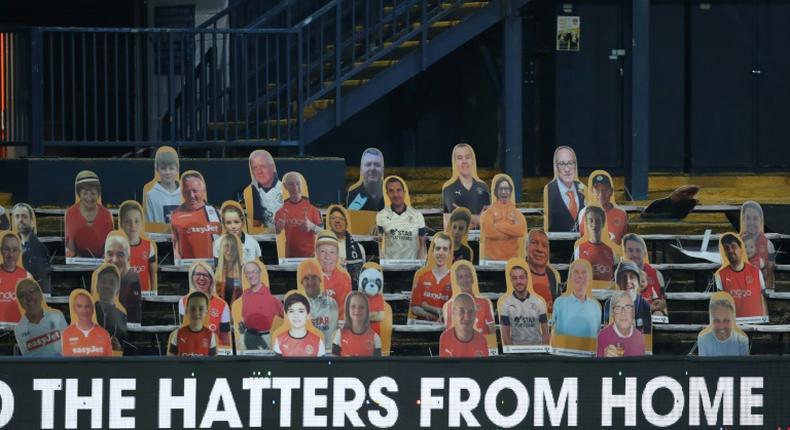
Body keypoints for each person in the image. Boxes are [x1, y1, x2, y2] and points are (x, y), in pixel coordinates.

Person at [170, 171, 221, 261]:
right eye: (186, 192)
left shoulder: (216, 213)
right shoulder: (175, 215)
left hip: (213, 269)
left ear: (203, 191)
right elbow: (171, 246)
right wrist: (177, 258)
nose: (191, 196)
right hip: (188, 270)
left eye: (195, 191)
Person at [714, 233, 766, 320]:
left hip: (756, 323)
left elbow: (763, 298)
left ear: (741, 249)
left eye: (734, 247)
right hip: (733, 324)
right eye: (727, 248)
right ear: (725, 253)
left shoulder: (756, 272)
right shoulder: (720, 275)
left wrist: (764, 319)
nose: (730, 250)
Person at [179, 261, 231, 346]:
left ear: (211, 279)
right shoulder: (183, 301)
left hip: (215, 354)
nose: (202, 278)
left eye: (206, 275)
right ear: (192, 277)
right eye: (198, 274)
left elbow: (225, 337)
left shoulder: (222, 305)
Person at [64, 170, 114, 259]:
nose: (89, 198)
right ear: (79, 193)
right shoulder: (70, 213)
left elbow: (109, 247)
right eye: (85, 193)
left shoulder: (106, 215)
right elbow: (70, 248)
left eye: (93, 193)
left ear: (98, 194)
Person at [376, 176, 427, 260]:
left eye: (398, 190)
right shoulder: (381, 215)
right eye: (391, 191)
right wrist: (383, 266)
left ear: (404, 192)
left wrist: (419, 266)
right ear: (387, 194)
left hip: (412, 267)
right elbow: (378, 244)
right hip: (390, 268)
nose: (395, 195)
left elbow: (422, 245)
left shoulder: (417, 215)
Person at [274, 172, 323, 258]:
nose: (295, 187)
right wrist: (277, 229)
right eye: (291, 184)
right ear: (285, 186)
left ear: (302, 185)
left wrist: (311, 226)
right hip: (289, 257)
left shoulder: (312, 207)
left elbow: (322, 232)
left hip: (309, 257)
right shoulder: (280, 209)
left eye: (298, 183)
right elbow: (276, 232)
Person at [500, 262, 550, 346]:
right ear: (511, 281)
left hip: (537, 349)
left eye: (521, 277)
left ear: (527, 279)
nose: (518, 281)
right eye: (514, 278)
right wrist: (513, 353)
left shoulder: (539, 302)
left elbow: (546, 332)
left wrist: (543, 352)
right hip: (516, 351)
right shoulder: (505, 303)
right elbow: (505, 336)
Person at [441, 143, 490, 229]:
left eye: (467, 157)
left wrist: (464, 216)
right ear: (455, 162)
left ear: (473, 160)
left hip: (481, 240)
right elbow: (449, 224)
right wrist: (477, 220)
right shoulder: (448, 189)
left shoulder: (483, 187)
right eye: (460, 158)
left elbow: (488, 221)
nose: (464, 161)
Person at [14, 279, 67, 357]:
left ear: (40, 294)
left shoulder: (57, 317)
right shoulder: (19, 329)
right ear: (20, 302)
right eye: (22, 295)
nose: (29, 298)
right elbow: (28, 359)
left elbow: (67, 348)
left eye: (32, 291)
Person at [237, 261, 283, 350]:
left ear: (259, 273)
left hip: (264, 339)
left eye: (254, 272)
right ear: (245, 276)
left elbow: (287, 318)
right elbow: (244, 316)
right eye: (248, 273)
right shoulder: (245, 294)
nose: (251, 275)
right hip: (247, 337)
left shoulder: (271, 296)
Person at [551, 260, 602, 340]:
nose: (580, 276)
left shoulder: (596, 306)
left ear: (589, 279)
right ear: (570, 278)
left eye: (584, 272)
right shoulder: (559, 302)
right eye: (576, 272)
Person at [480, 174, 526, 261]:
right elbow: (489, 232)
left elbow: (521, 231)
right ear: (496, 191)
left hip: (512, 260)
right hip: (492, 260)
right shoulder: (488, 213)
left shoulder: (517, 213)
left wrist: (498, 226)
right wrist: (511, 231)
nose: (504, 192)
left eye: (506, 189)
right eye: (501, 189)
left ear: (510, 192)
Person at [409, 233, 453, 323]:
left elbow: (452, 312)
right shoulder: (422, 277)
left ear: (449, 253)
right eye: (438, 248)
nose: (440, 253)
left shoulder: (454, 279)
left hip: (444, 329)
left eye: (445, 249)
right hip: (423, 329)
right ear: (433, 251)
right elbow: (414, 308)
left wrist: (426, 306)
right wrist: (434, 316)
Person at [602, 261, 652, 336]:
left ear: (638, 282)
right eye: (623, 277)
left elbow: (647, 336)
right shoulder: (610, 303)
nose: (628, 281)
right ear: (618, 282)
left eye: (632, 277)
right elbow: (607, 334)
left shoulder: (644, 305)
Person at [299, 259, 338, 352]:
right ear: (301, 282)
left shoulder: (332, 303)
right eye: (306, 278)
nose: (310, 282)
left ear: (320, 279)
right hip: (305, 354)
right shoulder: (297, 305)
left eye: (313, 277)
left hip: (328, 354)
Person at [11, 203, 51, 294]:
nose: (20, 220)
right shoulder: (10, 247)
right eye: (17, 217)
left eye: (24, 216)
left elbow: (44, 279)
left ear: (32, 221)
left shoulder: (41, 248)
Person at [622, 233, 667, 316]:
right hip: (627, 315)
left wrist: (662, 304)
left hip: (651, 315)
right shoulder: (619, 274)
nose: (634, 254)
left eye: (638, 250)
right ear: (625, 252)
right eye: (630, 250)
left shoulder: (656, 274)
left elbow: (663, 302)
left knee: (659, 314)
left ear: (645, 253)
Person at [119, 201, 157, 296]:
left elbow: (153, 272)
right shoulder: (117, 247)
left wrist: (153, 292)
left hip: (144, 295)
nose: (133, 225)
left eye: (136, 221)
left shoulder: (148, 246)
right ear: (121, 224)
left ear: (142, 223)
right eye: (128, 221)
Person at [445, 262, 495, 334]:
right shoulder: (451, 305)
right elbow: (450, 333)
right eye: (460, 277)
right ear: (457, 281)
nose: (465, 280)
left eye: (467, 276)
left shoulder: (484, 302)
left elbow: (492, 330)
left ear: (472, 279)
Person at [543, 146, 585, 232]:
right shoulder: (549, 189)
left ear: (575, 165)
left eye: (570, 163)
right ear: (556, 166)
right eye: (562, 164)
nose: (567, 169)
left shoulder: (584, 189)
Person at [579, 172, 628, 244]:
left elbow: (625, 241)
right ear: (592, 191)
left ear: (611, 191)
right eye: (597, 190)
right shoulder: (583, 213)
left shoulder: (622, 213)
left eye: (605, 189)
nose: (601, 194)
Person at [103, 232, 142, 324]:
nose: (115, 260)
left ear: (128, 258)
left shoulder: (133, 279)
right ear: (104, 256)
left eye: (120, 255)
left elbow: (134, 317)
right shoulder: (98, 277)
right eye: (110, 254)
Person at [61, 289, 113, 357]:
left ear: (92, 308)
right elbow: (67, 364)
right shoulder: (66, 334)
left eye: (87, 306)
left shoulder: (104, 334)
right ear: (74, 308)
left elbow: (108, 364)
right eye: (79, 306)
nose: (84, 311)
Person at [573, 206, 618, 283]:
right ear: (586, 223)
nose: (594, 224)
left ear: (603, 223)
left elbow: (616, 276)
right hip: (587, 292)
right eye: (591, 220)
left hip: (607, 293)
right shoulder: (579, 249)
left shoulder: (611, 249)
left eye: (597, 221)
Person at [273, 292, 326, 357]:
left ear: (308, 315)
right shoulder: (279, 340)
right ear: (286, 315)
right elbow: (278, 366)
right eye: (291, 311)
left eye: (301, 311)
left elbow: (321, 366)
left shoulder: (317, 341)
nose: (296, 315)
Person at [597, 290, 646, 357]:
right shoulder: (603, 336)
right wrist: (604, 358)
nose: (623, 313)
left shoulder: (640, 337)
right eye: (618, 308)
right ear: (612, 313)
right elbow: (598, 366)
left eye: (628, 307)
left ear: (633, 312)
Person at [332, 291, 382, 356]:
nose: (357, 310)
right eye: (353, 306)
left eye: (361, 307)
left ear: (367, 310)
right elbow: (334, 364)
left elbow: (377, 365)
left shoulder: (375, 338)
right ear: (348, 309)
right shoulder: (339, 334)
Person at [168, 291, 218, 357]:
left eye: (201, 309)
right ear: (186, 311)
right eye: (192, 309)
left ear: (206, 312)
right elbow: (170, 361)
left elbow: (214, 363)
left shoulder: (211, 336)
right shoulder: (177, 334)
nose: (196, 313)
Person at [439, 293, 489, 357]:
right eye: (461, 311)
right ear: (453, 312)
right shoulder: (445, 337)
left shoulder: (482, 340)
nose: (466, 317)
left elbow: (485, 366)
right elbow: (444, 366)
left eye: (470, 312)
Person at [315, 230, 352, 317]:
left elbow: (344, 313)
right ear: (316, 253)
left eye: (332, 252)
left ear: (337, 254)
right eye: (323, 251)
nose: (328, 257)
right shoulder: (308, 276)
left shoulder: (344, 278)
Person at [245, 150, 283, 231]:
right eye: (255, 168)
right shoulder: (251, 192)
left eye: (263, 166)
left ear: (272, 167)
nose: (259, 172)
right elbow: (255, 225)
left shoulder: (286, 189)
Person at [326, 205, 365, 285]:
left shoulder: (359, 248)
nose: (337, 221)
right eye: (333, 218)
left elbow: (362, 276)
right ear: (329, 222)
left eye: (341, 219)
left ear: (347, 223)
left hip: (351, 293)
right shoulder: (321, 247)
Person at [526, 229, 562, 315]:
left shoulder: (554, 275)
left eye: (545, 245)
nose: (539, 249)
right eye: (534, 242)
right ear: (526, 246)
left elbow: (558, 310)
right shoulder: (516, 273)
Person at [740, 201, 775, 290]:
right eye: (748, 218)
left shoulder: (768, 245)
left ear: (760, 220)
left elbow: (770, 278)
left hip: (760, 296)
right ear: (743, 219)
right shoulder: (735, 243)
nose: (751, 222)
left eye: (755, 218)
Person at [92, 264, 127, 353]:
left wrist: (119, 348)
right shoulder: (88, 311)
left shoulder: (123, 316)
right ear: (97, 287)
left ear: (117, 291)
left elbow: (127, 347)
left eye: (112, 283)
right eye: (103, 282)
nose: (107, 286)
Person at [144, 146, 181, 224]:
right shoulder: (151, 195)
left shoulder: (185, 194)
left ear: (177, 169)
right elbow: (149, 226)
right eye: (163, 168)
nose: (167, 172)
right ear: (157, 170)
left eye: (171, 168)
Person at [0, 232, 29, 323]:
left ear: (19, 252)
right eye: (7, 249)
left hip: (18, 329)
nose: (11, 254)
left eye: (15, 250)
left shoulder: (26, 276)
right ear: (1, 250)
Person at [214, 234, 243, 305]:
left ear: (237, 251)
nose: (230, 250)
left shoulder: (244, 271)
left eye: (233, 247)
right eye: (226, 246)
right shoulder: (214, 272)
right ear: (221, 249)